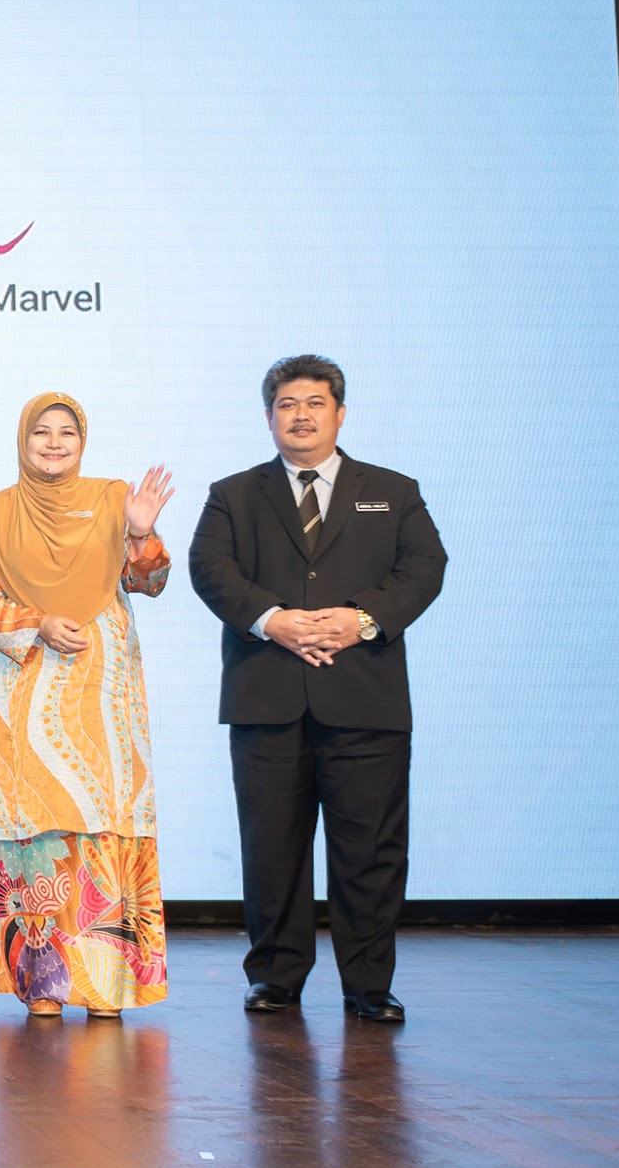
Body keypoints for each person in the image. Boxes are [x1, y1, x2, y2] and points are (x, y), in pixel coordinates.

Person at [186, 355, 447, 1024]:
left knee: (371, 851)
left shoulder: (392, 490)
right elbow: (210, 569)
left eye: (314, 403)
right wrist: (272, 620)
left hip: (365, 700)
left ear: (340, 413)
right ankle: (275, 978)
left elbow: (425, 567)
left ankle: (370, 985)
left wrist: (361, 619)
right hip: (267, 699)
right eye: (286, 404)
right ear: (269, 416)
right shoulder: (233, 494)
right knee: (272, 849)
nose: (300, 415)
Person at [0, 392, 173, 1019]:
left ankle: (107, 984)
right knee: (40, 825)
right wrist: (38, 623)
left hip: (104, 687)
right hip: (31, 682)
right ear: (22, 440)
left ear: (83, 443)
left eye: (67, 433)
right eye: (41, 432)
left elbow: (149, 582)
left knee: (106, 821)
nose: (53, 443)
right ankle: (44, 984)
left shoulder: (113, 498)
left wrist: (141, 533)